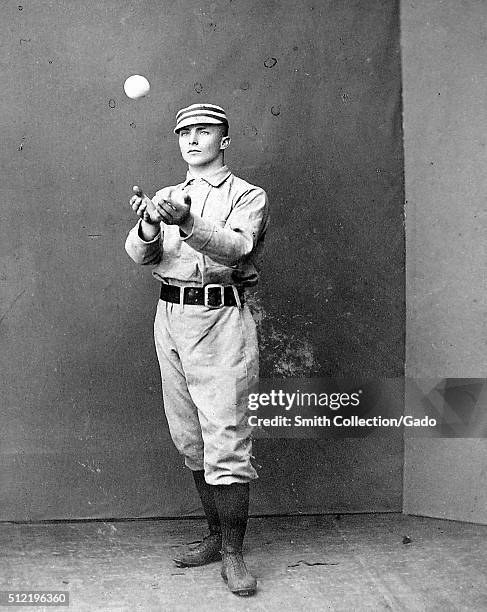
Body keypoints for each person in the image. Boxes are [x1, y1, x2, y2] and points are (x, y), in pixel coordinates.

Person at [124, 103, 269, 597]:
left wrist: (187, 222)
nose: (192, 138)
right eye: (184, 131)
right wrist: (148, 224)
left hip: (221, 318)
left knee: (225, 440)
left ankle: (234, 554)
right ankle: (214, 537)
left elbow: (237, 248)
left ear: (223, 140)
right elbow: (142, 255)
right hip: (170, 317)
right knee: (190, 439)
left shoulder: (247, 195)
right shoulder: (168, 195)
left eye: (203, 131)